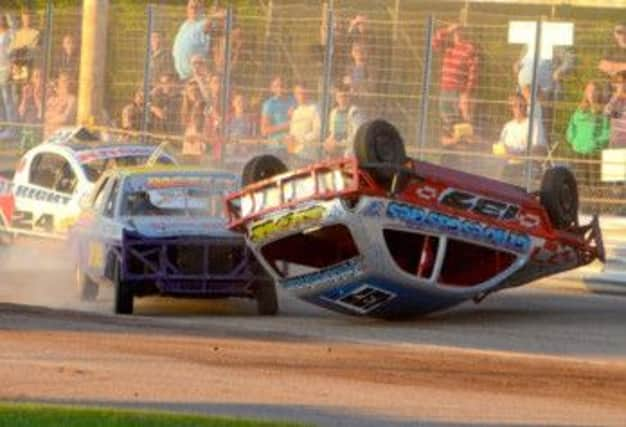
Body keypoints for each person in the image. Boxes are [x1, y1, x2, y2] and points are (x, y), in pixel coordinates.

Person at [432, 23, 478, 130]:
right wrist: (447, 30)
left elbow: (473, 72)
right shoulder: (448, 46)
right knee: (446, 116)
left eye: (460, 30)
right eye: (456, 31)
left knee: (460, 118)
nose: (457, 33)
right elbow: (434, 43)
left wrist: (467, 92)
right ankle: (450, 139)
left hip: (458, 90)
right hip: (445, 88)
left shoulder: (469, 48)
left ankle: (461, 141)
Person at [492, 94, 546, 184]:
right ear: (510, 108)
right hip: (509, 164)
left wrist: (520, 154)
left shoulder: (534, 123)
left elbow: (539, 149)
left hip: (528, 164)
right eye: (515, 106)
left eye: (521, 105)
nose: (519, 108)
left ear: (526, 106)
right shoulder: (507, 126)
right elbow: (500, 147)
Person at [566, 81, 610, 185]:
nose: (592, 93)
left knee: (595, 184)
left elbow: (607, 132)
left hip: (594, 154)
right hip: (578, 152)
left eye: (594, 91)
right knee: (579, 184)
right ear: (585, 93)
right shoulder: (579, 110)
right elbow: (571, 128)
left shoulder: (603, 112)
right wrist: (573, 141)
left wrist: (596, 143)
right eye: (589, 90)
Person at [172, 0, 223, 80]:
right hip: (181, 76)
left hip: (196, 77)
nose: (193, 10)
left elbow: (222, 16)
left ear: (202, 9)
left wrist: (212, 15)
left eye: (196, 7)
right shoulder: (185, 24)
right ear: (187, 8)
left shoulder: (203, 22)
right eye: (191, 7)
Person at [323, 83, 364, 157]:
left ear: (349, 97)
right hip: (335, 151)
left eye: (345, 96)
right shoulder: (333, 112)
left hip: (348, 152)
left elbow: (357, 135)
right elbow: (332, 132)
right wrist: (329, 141)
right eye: (340, 96)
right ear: (336, 98)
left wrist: (340, 143)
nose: (342, 99)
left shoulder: (354, 112)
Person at [284, 81, 321, 162]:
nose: (301, 96)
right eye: (298, 93)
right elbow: (292, 131)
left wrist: (301, 139)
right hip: (294, 155)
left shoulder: (315, 108)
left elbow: (317, 132)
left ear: (308, 93)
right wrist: (289, 138)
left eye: (304, 93)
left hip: (308, 156)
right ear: (295, 95)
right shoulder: (295, 110)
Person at [260, 76, 295, 146]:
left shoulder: (293, 101)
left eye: (282, 85)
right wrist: (286, 125)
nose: (280, 88)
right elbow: (264, 130)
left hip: (293, 145)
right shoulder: (269, 104)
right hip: (276, 146)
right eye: (276, 86)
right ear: (272, 89)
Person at [44, 72, 76, 137]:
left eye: (67, 81)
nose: (66, 83)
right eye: (63, 81)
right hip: (47, 133)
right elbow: (45, 115)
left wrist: (51, 118)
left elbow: (66, 118)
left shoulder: (72, 99)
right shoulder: (52, 99)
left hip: (61, 134)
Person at [0, 14, 15, 138]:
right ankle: (3, 126)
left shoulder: (9, 34)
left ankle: (12, 129)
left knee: (7, 99)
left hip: (6, 69)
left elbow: (13, 51)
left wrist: (10, 67)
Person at [604, 70, 626, 148]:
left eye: (620, 82)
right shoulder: (616, 98)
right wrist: (617, 96)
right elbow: (607, 113)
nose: (617, 85)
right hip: (615, 141)